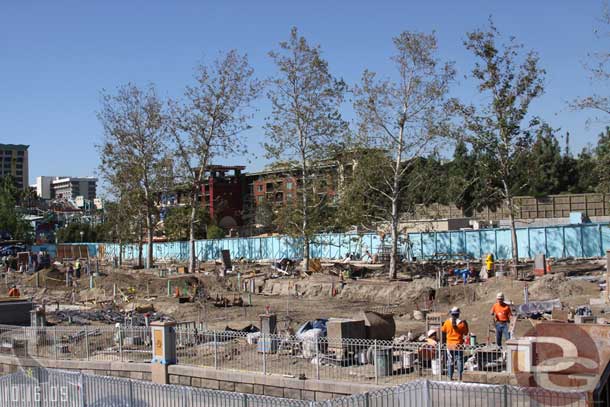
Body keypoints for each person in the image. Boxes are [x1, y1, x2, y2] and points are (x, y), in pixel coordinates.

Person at [441, 307, 469, 381]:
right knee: (459, 361)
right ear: (458, 314)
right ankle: (460, 377)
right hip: (458, 345)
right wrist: (466, 325)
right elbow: (466, 333)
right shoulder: (462, 323)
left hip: (449, 345)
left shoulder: (447, 322)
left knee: (450, 361)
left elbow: (443, 330)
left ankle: (450, 377)